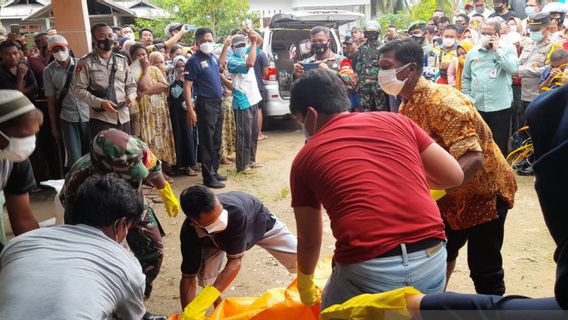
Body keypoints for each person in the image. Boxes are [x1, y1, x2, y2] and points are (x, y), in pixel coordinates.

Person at [290, 69, 464, 309]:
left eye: (300, 121)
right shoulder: (397, 121)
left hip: (367, 270)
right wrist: (413, 183)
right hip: (432, 258)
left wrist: (305, 285)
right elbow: (454, 175)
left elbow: (309, 240)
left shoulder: (304, 159)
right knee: (408, 314)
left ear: (310, 115)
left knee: (332, 311)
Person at [378, 39, 517, 296]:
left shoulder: (443, 102)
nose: (381, 74)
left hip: (483, 192)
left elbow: (473, 159)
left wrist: (434, 192)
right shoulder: (407, 107)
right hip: (448, 196)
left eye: (387, 66)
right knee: (439, 256)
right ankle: (436, 305)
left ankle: (492, 312)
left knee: (484, 269)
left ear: (410, 70)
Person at [0, 174, 149, 319]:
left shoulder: (19, 244)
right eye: (128, 227)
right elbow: (134, 317)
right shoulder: (125, 264)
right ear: (120, 225)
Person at [60, 129, 180, 299]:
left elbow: (154, 169)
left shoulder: (136, 150)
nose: (132, 177)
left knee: (153, 249)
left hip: (133, 205)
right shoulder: (79, 181)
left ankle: (137, 299)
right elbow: (76, 227)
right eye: (126, 174)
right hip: (99, 214)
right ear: (102, 167)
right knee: (105, 262)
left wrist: (165, 191)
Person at [178, 185, 297, 314]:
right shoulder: (190, 235)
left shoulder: (234, 212)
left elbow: (235, 262)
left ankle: (313, 292)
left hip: (257, 223)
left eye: (221, 213)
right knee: (207, 276)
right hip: (211, 240)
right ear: (195, 223)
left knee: (300, 257)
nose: (222, 220)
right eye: (214, 220)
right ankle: (219, 309)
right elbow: (188, 278)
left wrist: (205, 299)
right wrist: (188, 313)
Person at [461, 18, 519, 156]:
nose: (486, 36)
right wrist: (468, 97)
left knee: (499, 145)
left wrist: (497, 51)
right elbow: (466, 78)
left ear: (498, 34)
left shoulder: (508, 49)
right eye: (483, 33)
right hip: (478, 106)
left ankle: (500, 175)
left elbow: (513, 70)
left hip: (500, 107)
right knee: (479, 145)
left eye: (490, 33)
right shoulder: (473, 52)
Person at [73, 23, 136, 137]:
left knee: (126, 152)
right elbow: (78, 90)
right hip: (101, 119)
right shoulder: (85, 62)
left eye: (110, 36)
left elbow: (131, 85)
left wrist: (131, 96)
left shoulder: (121, 60)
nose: (107, 39)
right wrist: (100, 103)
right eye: (102, 36)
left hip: (123, 116)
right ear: (93, 38)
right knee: (105, 154)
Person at [183, 28, 227, 189]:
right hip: (205, 104)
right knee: (207, 142)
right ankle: (208, 177)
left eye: (209, 40)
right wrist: (190, 109)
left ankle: (214, 171)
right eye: (203, 41)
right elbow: (187, 86)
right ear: (197, 43)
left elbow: (219, 73)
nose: (207, 43)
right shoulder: (193, 61)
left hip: (218, 103)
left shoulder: (212, 58)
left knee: (216, 140)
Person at [0, 90, 42, 250]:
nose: (28, 143)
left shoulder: (14, 161)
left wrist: (40, 252)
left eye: (33, 134)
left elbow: (23, 220)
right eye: (24, 135)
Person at [129, 43, 177, 174]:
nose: (141, 57)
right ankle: (152, 173)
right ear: (131, 57)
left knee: (162, 139)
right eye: (137, 55)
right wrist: (144, 70)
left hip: (159, 113)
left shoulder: (155, 70)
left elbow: (164, 85)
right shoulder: (129, 71)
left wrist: (144, 92)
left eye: (143, 54)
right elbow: (142, 85)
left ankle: (165, 168)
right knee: (147, 142)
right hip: (143, 114)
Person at [43, 34, 90, 168]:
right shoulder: (49, 71)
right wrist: (53, 126)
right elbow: (50, 100)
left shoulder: (82, 64)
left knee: (91, 153)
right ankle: (76, 184)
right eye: (55, 50)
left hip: (87, 114)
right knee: (74, 157)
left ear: (68, 47)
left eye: (61, 48)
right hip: (67, 117)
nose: (59, 52)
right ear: (50, 52)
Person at [222, 33, 262, 174]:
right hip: (242, 101)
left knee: (253, 132)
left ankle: (251, 160)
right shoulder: (232, 61)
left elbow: (259, 42)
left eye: (243, 45)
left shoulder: (247, 53)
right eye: (238, 46)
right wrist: (253, 42)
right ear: (232, 48)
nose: (241, 48)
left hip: (253, 98)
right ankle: (242, 165)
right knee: (244, 134)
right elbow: (250, 64)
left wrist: (253, 36)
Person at [517, 13, 553, 136]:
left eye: (536, 30)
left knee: (538, 134)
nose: (532, 32)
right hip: (524, 95)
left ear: (547, 28)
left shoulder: (554, 45)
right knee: (523, 132)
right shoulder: (529, 44)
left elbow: (547, 69)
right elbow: (519, 62)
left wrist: (520, 71)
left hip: (539, 96)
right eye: (531, 29)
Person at [168, 56, 198, 176]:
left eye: (183, 66)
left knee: (189, 137)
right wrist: (179, 79)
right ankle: (177, 166)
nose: (181, 68)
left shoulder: (191, 80)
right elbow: (175, 94)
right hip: (176, 114)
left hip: (188, 112)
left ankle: (189, 165)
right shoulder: (172, 81)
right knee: (178, 137)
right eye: (178, 66)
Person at [354, 21, 388, 112]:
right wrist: (357, 77)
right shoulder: (362, 47)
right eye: (369, 33)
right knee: (365, 107)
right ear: (365, 34)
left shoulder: (384, 47)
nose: (371, 35)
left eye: (373, 33)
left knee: (381, 107)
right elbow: (359, 63)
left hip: (378, 82)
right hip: (364, 82)